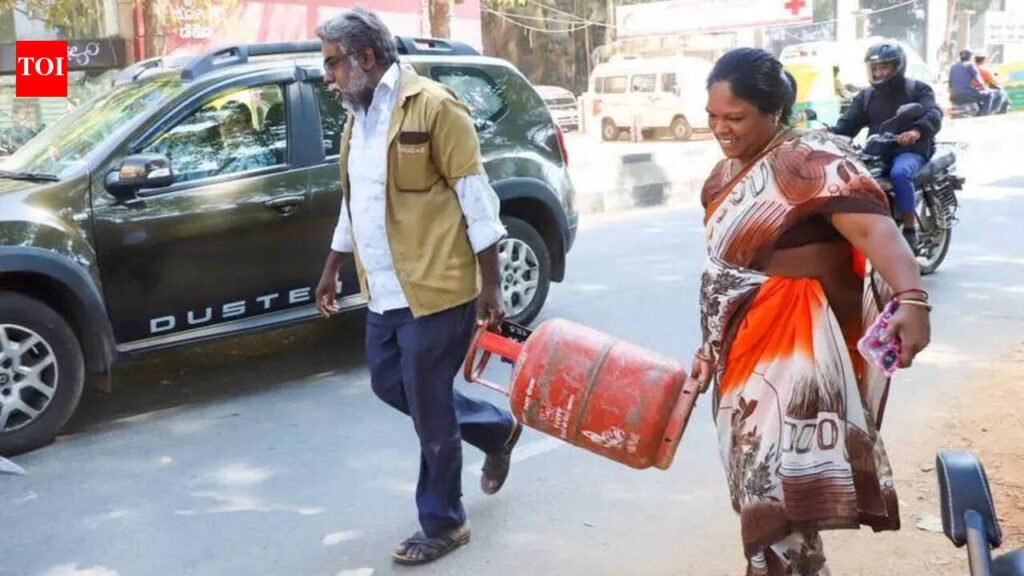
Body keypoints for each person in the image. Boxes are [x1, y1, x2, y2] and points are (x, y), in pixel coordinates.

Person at [692, 47, 931, 575]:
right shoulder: (720, 177)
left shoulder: (810, 163)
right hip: (740, 352)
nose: (721, 128)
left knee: (774, 489)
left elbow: (873, 230)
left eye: (735, 117)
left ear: (774, 112)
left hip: (797, 351)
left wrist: (912, 296)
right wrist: (708, 348)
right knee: (754, 481)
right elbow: (723, 273)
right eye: (712, 116)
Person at [312, 7, 522, 566]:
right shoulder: (356, 119)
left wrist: (490, 284)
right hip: (384, 291)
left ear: (366, 57)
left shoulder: (434, 108)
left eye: (333, 63)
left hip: (437, 288)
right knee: (390, 384)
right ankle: (494, 429)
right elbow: (354, 202)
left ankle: (445, 521)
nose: (327, 75)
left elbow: (476, 199)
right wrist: (332, 267)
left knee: (430, 411)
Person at [832, 42, 943, 252]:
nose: (878, 73)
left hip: (911, 150)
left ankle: (909, 229)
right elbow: (848, 123)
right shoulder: (866, 96)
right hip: (878, 151)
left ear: (898, 67)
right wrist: (830, 135)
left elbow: (934, 114)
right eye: (874, 68)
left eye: (884, 67)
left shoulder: (917, 89)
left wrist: (916, 131)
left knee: (900, 174)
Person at [949, 48, 996, 116]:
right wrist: (984, 89)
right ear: (970, 56)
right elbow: (979, 80)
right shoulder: (970, 65)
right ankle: (983, 116)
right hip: (967, 94)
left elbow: (950, 84)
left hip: (954, 96)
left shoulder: (953, 66)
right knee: (989, 94)